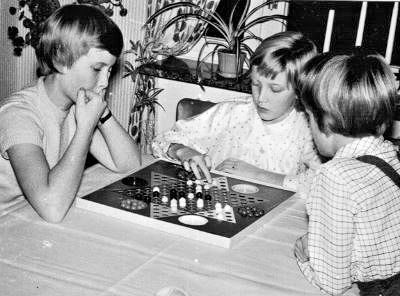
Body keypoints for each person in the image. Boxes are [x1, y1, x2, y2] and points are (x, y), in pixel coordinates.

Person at [0, 4, 140, 222]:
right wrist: (84, 129)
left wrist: (102, 114)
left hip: (32, 216)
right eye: (96, 69)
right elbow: (52, 209)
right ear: (60, 61)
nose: (104, 83)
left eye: (109, 71)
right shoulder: (18, 115)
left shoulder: (77, 106)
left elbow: (129, 164)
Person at [152, 31, 321, 191]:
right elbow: (162, 140)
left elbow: (324, 185)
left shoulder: (309, 129)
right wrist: (182, 151)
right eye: (255, 84)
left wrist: (257, 175)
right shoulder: (232, 112)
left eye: (275, 89)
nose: (261, 98)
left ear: (300, 91)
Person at [294, 52, 400, 296]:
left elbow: (332, 282)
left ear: (327, 121)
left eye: (309, 116)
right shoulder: (388, 155)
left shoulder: (335, 177)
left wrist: (307, 259)